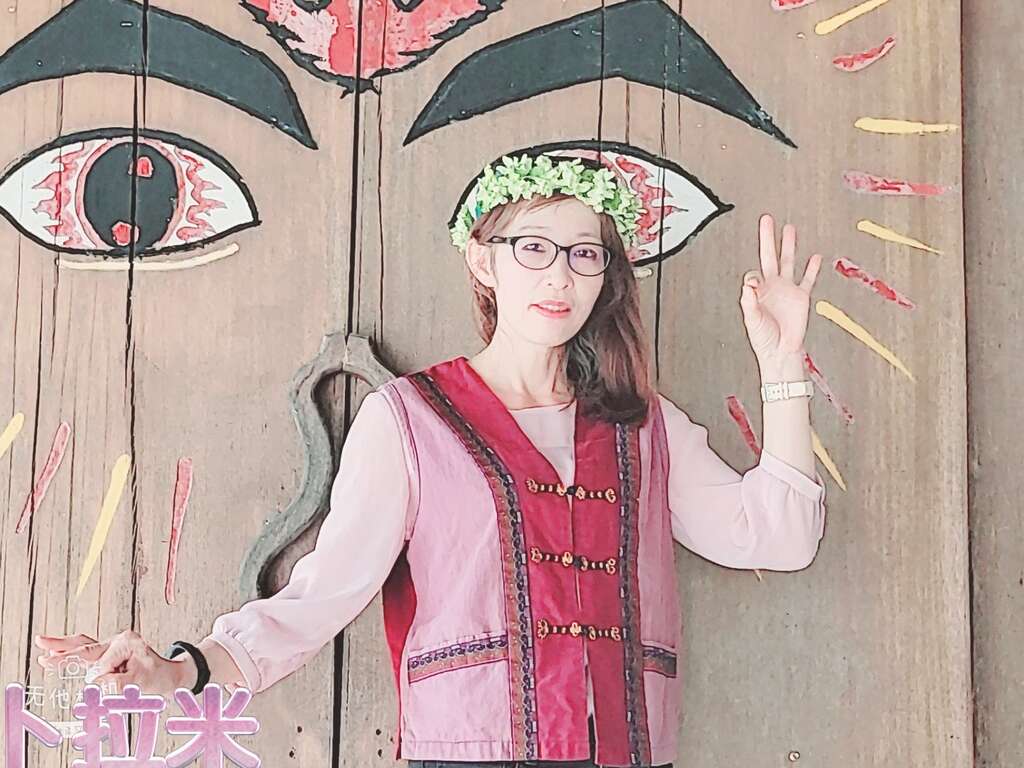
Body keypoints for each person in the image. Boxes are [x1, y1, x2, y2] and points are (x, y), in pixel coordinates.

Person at [36, 152, 827, 768]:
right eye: (533, 247)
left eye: (585, 254)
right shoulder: (410, 421)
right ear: (484, 261)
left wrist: (783, 364)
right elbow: (321, 596)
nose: (559, 275)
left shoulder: (642, 424)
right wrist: (181, 671)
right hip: (469, 750)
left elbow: (779, 538)